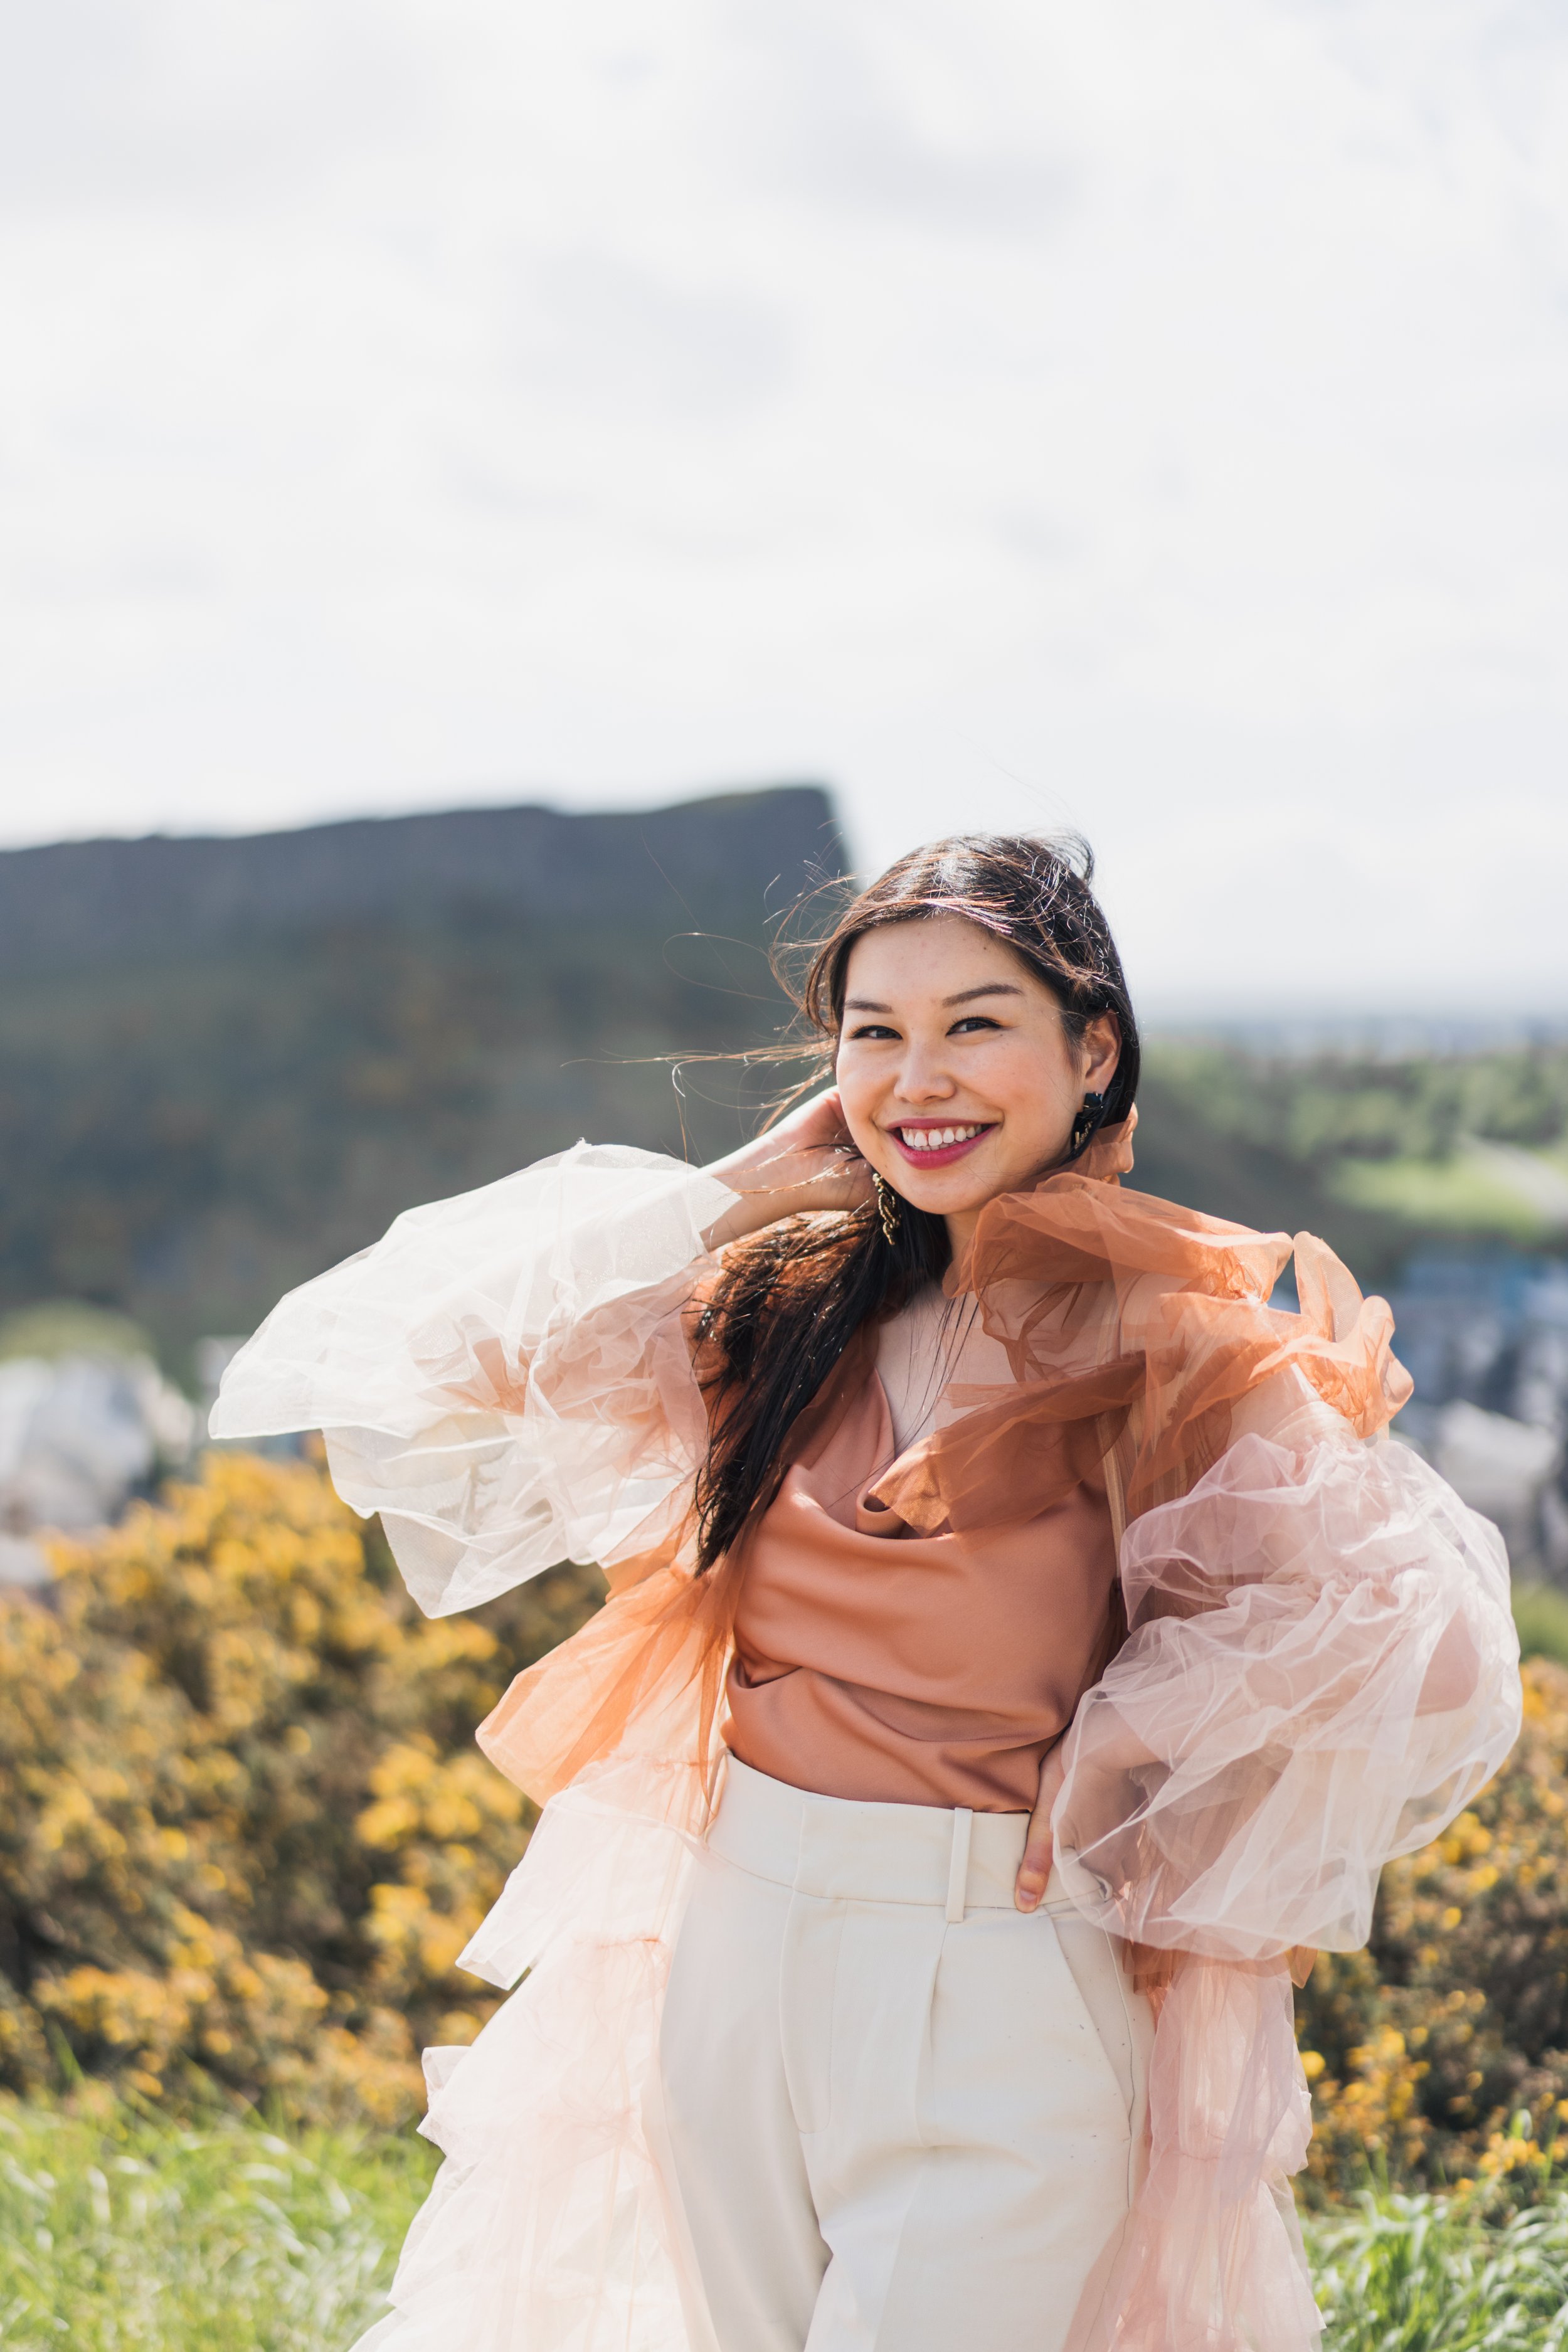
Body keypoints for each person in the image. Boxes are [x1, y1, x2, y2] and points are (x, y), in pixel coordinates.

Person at [211, 834, 1520, 2352]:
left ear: (1090, 1049)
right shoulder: (777, 1308)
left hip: (996, 1985)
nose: (921, 1079)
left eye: (975, 1024)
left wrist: (1118, 1747)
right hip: (730, 1955)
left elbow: (1427, 1653)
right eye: (874, 1036)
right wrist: (735, 1190)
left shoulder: (1181, 1343)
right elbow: (405, 1368)